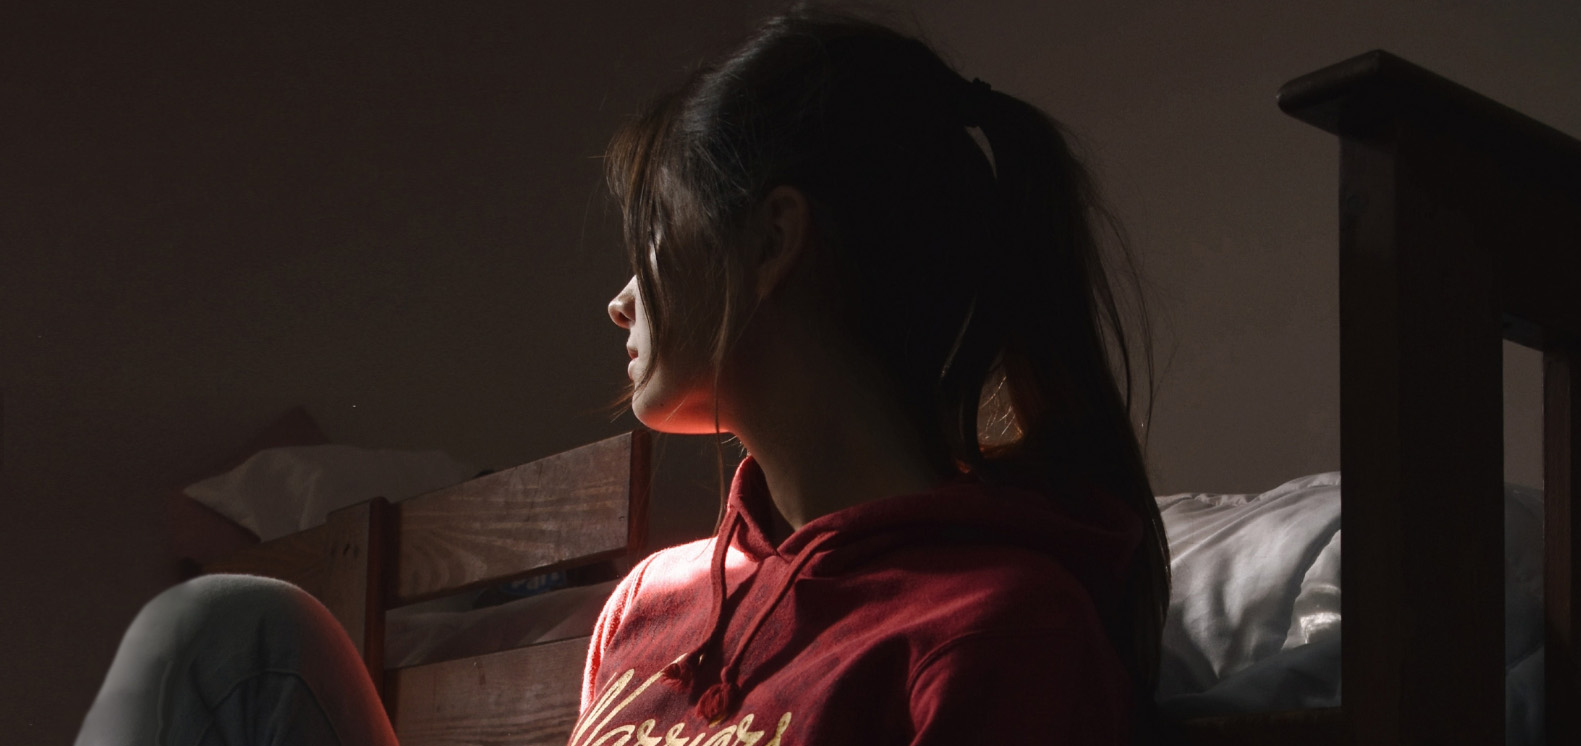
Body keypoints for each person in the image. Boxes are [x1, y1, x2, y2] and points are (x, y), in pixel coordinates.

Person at [78, 6, 1170, 745]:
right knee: (229, 631)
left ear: (769, 242)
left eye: (653, 234)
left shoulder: (991, 629)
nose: (619, 298)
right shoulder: (653, 601)